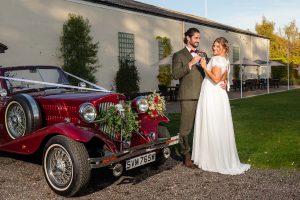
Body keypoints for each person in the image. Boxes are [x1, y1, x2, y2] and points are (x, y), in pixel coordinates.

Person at [192, 37, 251, 175]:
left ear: (224, 48)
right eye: (213, 46)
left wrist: (205, 67)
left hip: (212, 93)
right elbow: (224, 79)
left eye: (218, 47)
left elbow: (216, 79)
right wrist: (227, 85)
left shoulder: (218, 60)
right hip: (218, 93)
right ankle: (216, 156)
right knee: (217, 123)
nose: (214, 49)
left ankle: (212, 159)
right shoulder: (225, 60)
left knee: (211, 122)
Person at [172, 28, 207, 168]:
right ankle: (186, 155)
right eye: (196, 38)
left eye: (199, 38)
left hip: (204, 95)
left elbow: (209, 73)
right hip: (188, 96)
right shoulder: (178, 55)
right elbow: (175, 74)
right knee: (186, 128)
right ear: (188, 38)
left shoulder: (203, 54)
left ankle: (201, 154)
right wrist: (191, 63)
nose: (198, 40)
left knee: (203, 126)